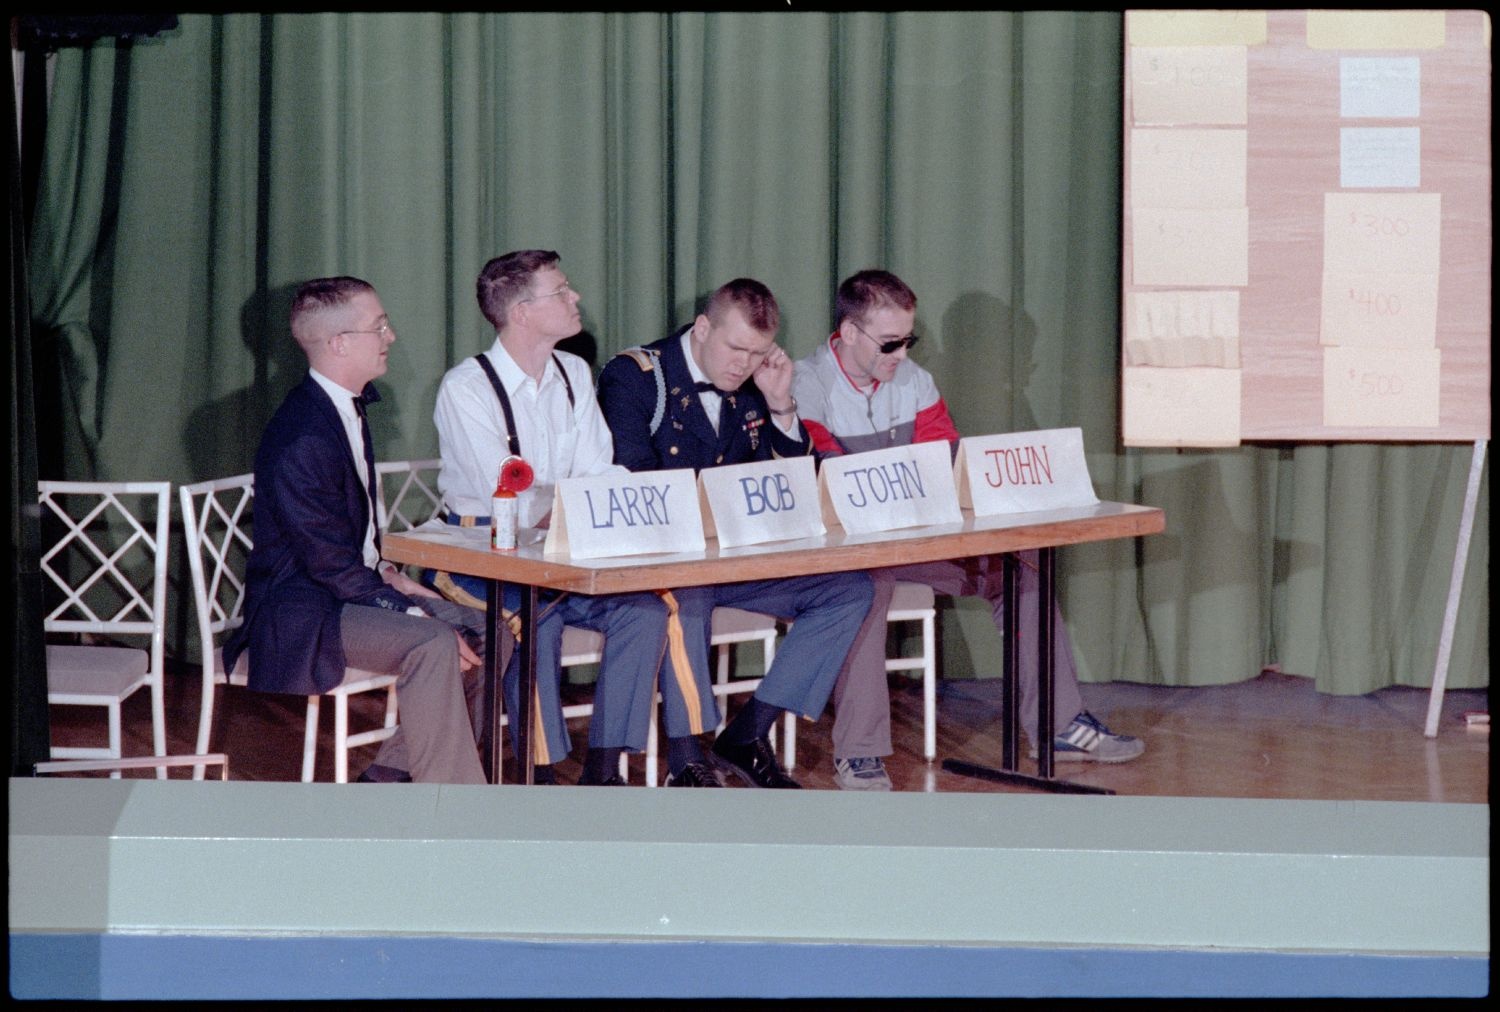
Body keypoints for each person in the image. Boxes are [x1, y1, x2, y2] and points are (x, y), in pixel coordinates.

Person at [793, 269, 1146, 790]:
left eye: (909, 341)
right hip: (845, 548)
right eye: (890, 344)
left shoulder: (914, 382)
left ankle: (1058, 727)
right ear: (848, 334)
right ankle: (859, 751)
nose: (902, 355)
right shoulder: (806, 384)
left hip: (914, 538)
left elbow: (949, 463)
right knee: (865, 585)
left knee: (1022, 568)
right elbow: (824, 475)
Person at [598, 278, 875, 789]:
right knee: (690, 595)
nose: (743, 365)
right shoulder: (636, 377)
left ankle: (747, 733)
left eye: (758, 353)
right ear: (703, 328)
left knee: (850, 590)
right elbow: (632, 480)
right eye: (735, 348)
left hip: (735, 562)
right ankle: (685, 759)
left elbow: (794, 486)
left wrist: (780, 405)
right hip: (662, 564)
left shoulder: (754, 381)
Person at [222, 276, 491, 784]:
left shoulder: (341, 408)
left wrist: (390, 573)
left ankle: (388, 778)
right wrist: (407, 606)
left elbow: (350, 541)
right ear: (339, 343)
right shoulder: (302, 434)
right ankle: (455, 802)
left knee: (489, 631)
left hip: (347, 587)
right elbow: (325, 562)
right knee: (432, 640)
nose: (390, 337)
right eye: (379, 327)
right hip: (304, 606)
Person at [428, 250, 670, 786]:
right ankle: (541, 771)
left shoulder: (574, 373)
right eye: (561, 291)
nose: (575, 297)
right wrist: (575, 501)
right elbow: (506, 495)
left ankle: (605, 768)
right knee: (535, 618)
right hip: (480, 557)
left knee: (644, 612)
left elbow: (598, 469)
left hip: (562, 548)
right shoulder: (466, 388)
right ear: (521, 312)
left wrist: (634, 501)